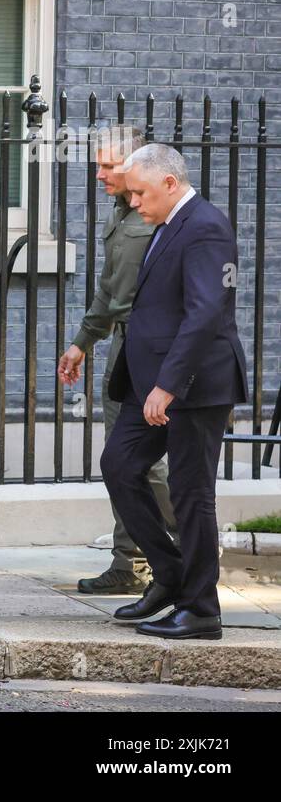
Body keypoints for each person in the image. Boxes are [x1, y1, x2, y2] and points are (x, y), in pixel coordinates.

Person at [100, 144, 247, 641]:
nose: (133, 201)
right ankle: (169, 576)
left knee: (190, 493)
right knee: (119, 466)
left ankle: (202, 607)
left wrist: (167, 384)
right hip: (152, 382)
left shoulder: (205, 226)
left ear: (168, 182)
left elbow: (206, 312)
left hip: (194, 385)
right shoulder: (167, 222)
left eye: (140, 191)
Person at [56, 125, 177, 595]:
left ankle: (187, 548)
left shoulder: (157, 218)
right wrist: (83, 341)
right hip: (123, 350)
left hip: (152, 352)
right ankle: (131, 562)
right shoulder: (123, 210)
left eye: (108, 164)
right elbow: (110, 290)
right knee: (122, 461)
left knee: (145, 462)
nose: (99, 173)